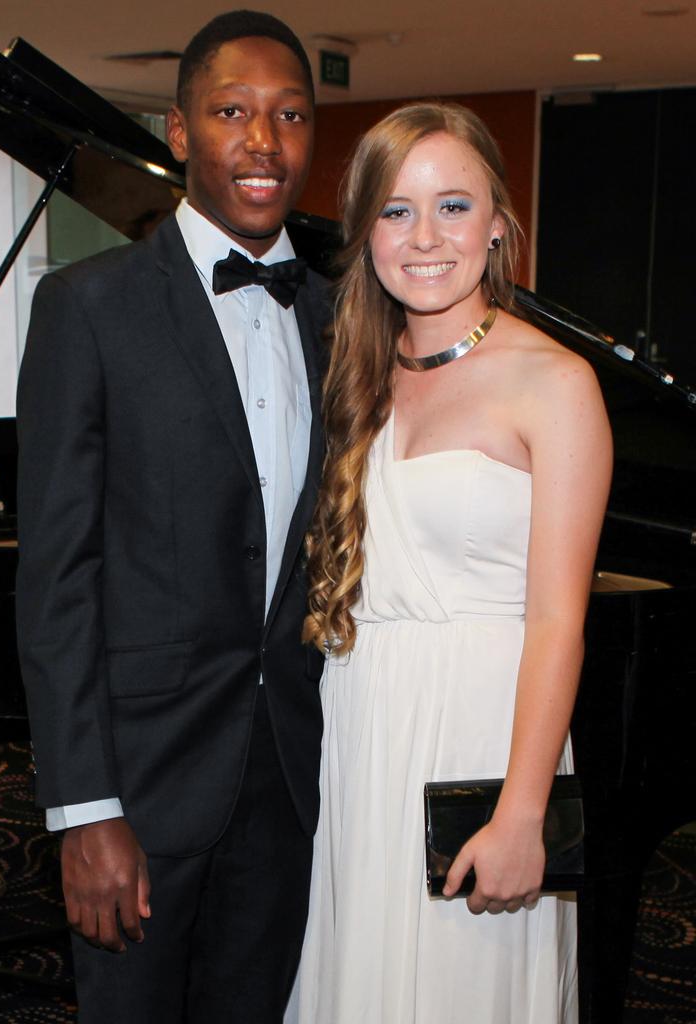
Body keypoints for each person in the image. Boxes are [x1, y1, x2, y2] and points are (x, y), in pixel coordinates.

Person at [16, 11, 329, 1023]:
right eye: (232, 111)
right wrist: (85, 809)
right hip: (140, 792)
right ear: (181, 130)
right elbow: (58, 577)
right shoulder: (89, 308)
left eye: (288, 114)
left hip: (289, 782)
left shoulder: (335, 317)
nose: (263, 141)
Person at [294, 102, 612, 1023]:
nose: (424, 238)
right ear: (365, 232)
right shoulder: (358, 375)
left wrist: (522, 814)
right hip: (365, 729)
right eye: (396, 211)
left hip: (483, 738)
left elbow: (559, 623)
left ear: (500, 227)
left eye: (453, 206)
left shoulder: (555, 384)